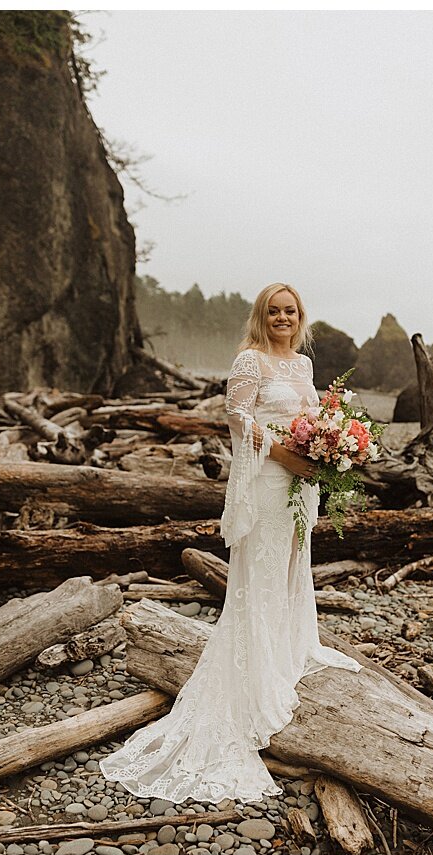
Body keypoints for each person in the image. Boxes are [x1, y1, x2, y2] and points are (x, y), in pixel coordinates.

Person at [98, 283, 362, 805]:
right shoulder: (250, 360)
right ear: (261, 316)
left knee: (292, 565)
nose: (282, 318)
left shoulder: (303, 366)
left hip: (301, 483)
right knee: (261, 572)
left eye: (290, 311)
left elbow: (312, 418)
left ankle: (287, 648)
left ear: (300, 316)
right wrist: (282, 454)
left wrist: (331, 445)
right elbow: (238, 419)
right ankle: (252, 674)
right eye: (274, 311)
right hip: (268, 478)